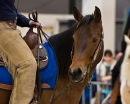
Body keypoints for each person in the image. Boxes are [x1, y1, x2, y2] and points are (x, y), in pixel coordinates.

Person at [0, 0, 42, 104]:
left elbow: (11, 11)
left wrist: (29, 22)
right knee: (28, 64)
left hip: (11, 27)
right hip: (3, 29)